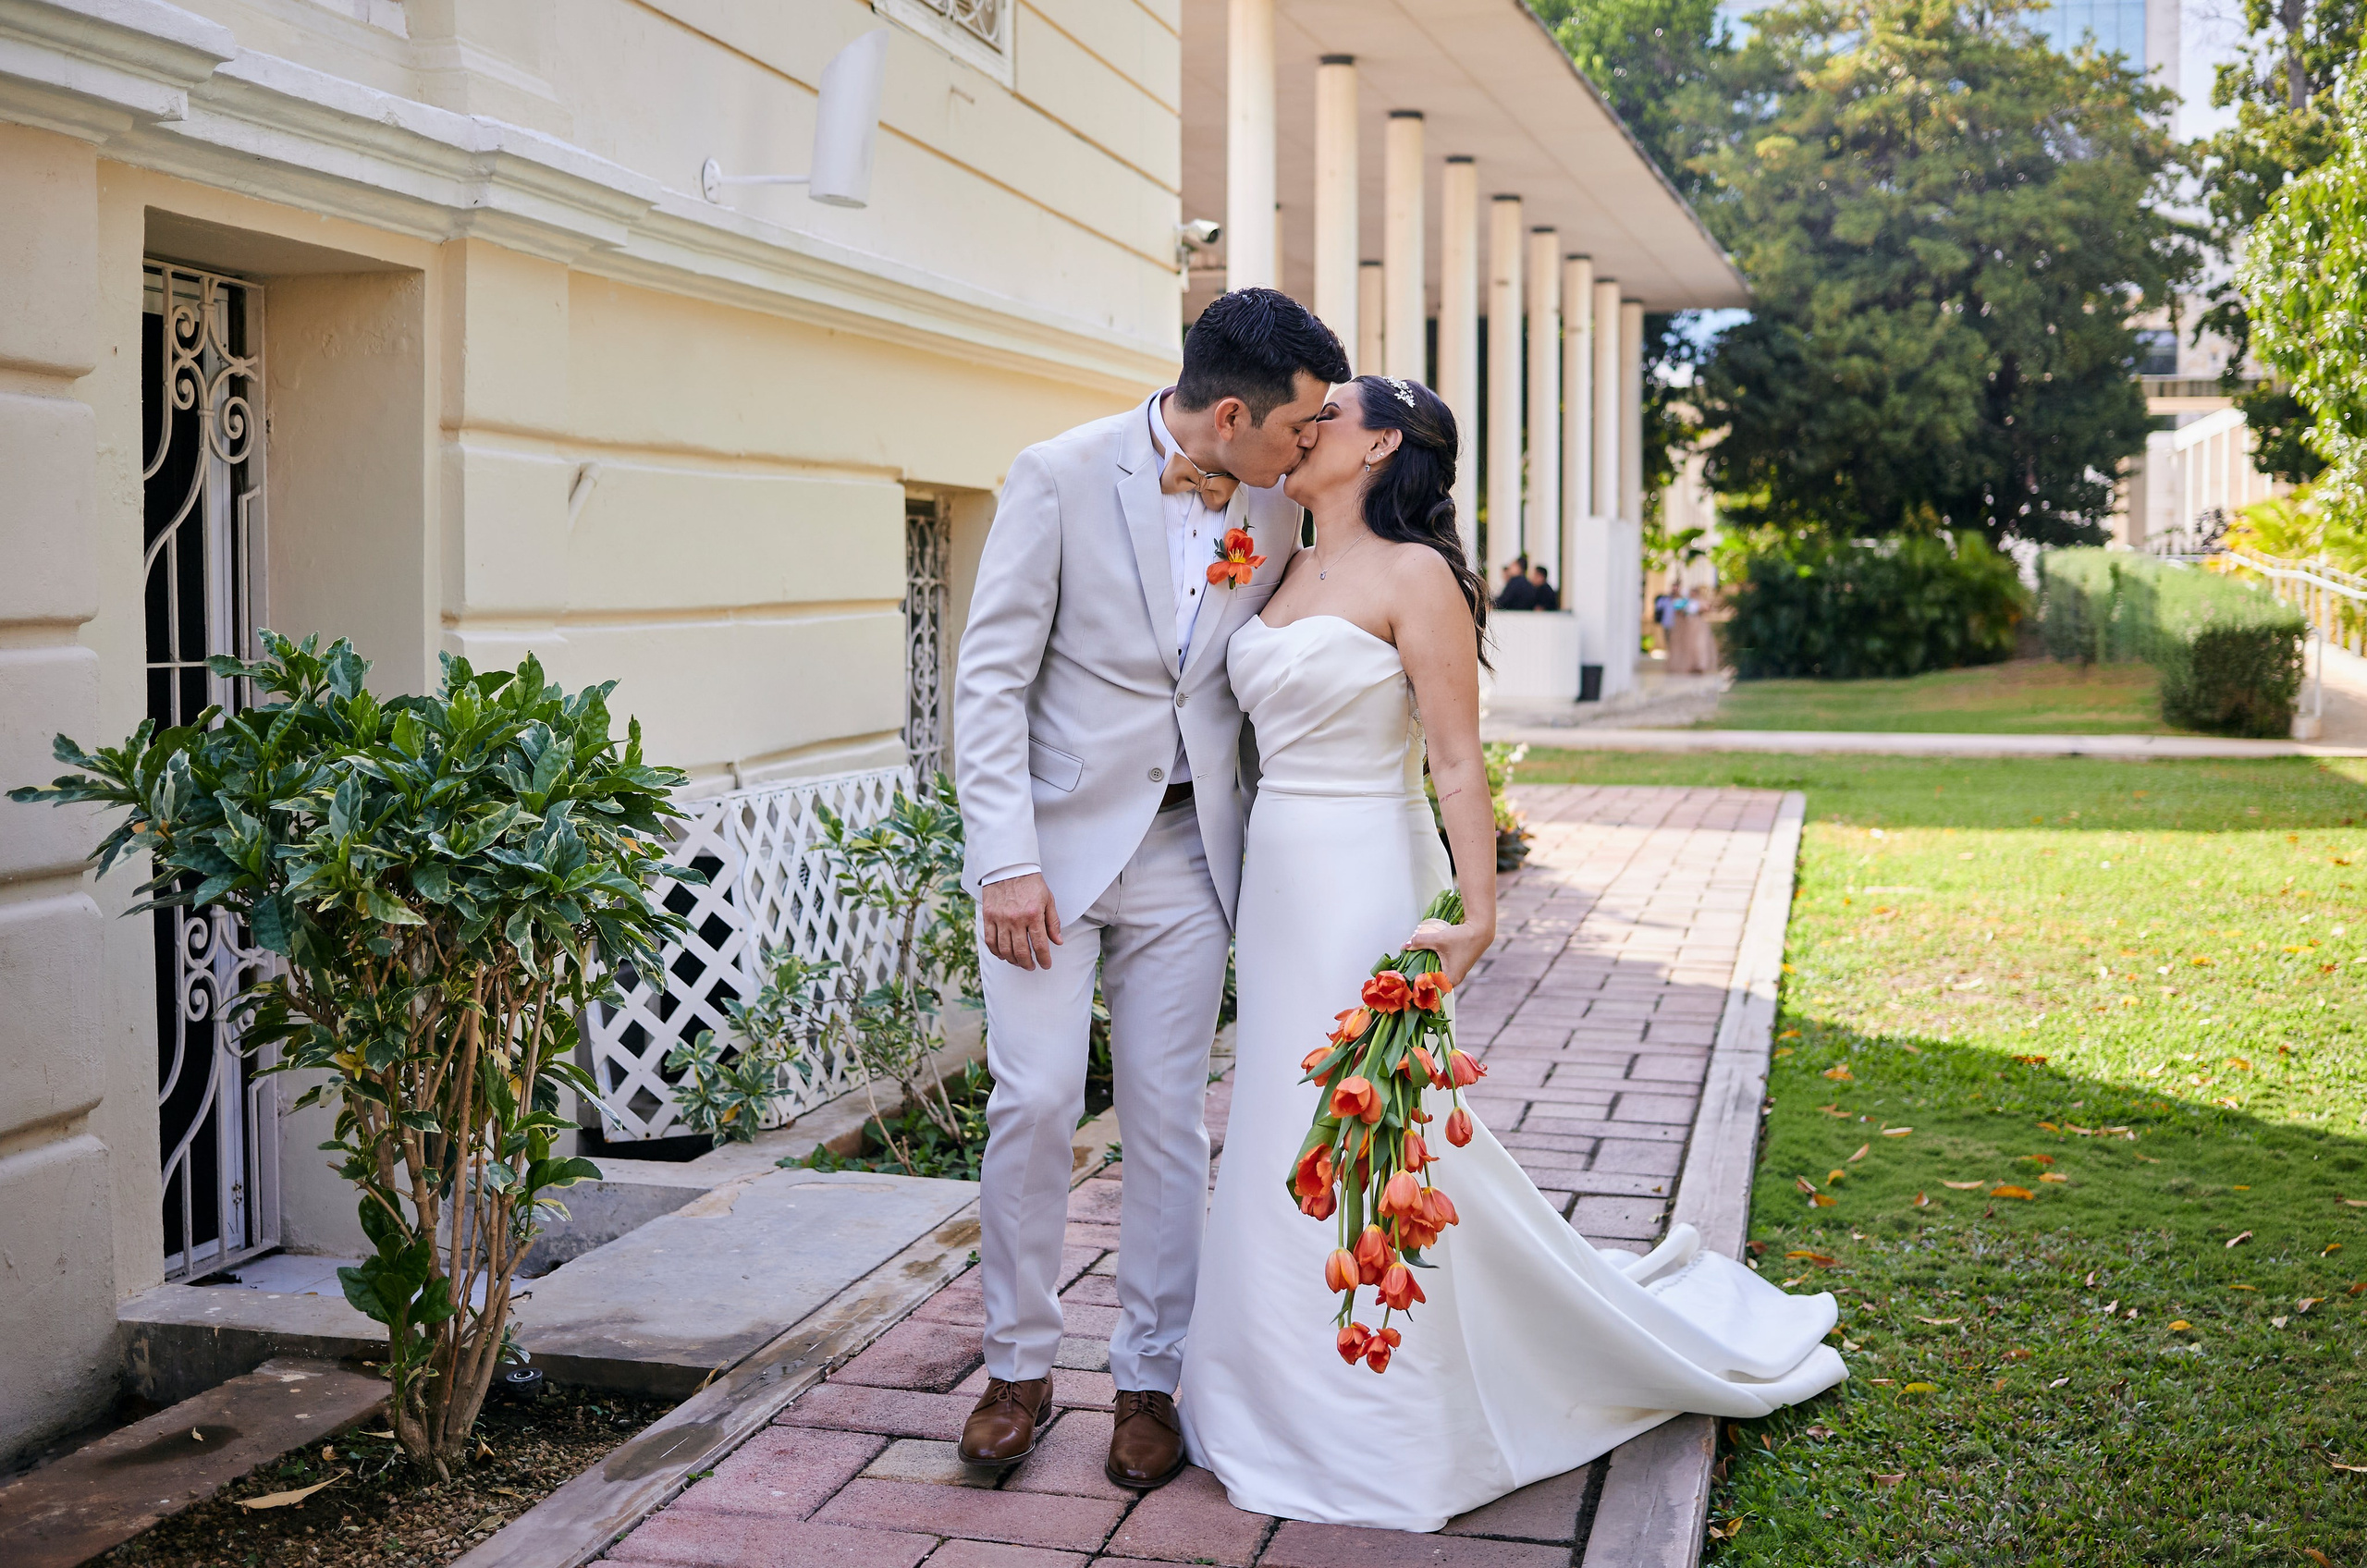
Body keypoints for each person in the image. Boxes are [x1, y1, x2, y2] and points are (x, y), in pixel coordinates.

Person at [1175, 374, 1845, 1531]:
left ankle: (1377, 1403)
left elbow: (1456, 762)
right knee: (1277, 1121)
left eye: (1328, 410)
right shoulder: (1273, 546)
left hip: (1362, 879)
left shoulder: (1417, 576)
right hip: (1277, 881)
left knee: (1364, 1118)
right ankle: (1267, 1385)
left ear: (1381, 442)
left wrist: (1477, 912)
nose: (1306, 422)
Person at [950, 288, 1351, 1489]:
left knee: (1169, 1122)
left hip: (1191, 852)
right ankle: (1017, 1368)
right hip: (1054, 859)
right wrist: (1006, 862)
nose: (1308, 446)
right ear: (1231, 414)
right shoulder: (1055, 474)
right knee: (1033, 1100)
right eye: (1297, 427)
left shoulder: (1281, 504)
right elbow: (988, 682)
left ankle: (1149, 1380)